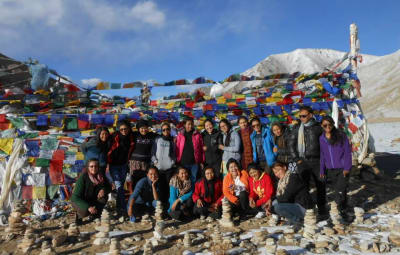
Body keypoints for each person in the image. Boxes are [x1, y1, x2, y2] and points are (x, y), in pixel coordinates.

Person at [288, 105, 326, 216]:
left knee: (321, 184)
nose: (301, 118)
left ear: (310, 115)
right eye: (300, 116)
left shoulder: (318, 128)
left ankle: (322, 208)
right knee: (303, 186)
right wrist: (297, 159)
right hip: (302, 161)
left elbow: (324, 145)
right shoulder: (297, 128)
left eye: (304, 116)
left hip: (317, 161)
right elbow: (291, 145)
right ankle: (307, 208)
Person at [319, 116, 352, 219]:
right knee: (340, 191)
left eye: (330, 124)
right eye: (325, 125)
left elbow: (347, 152)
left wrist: (347, 168)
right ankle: (344, 210)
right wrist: (322, 170)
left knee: (339, 191)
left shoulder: (341, 136)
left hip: (342, 168)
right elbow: (323, 155)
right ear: (322, 126)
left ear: (333, 124)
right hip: (330, 169)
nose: (327, 127)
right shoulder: (322, 138)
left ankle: (340, 212)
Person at [71, 159, 111, 225]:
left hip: (92, 199)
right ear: (88, 167)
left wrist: (104, 190)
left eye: (96, 166)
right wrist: (88, 207)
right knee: (85, 211)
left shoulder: (101, 176)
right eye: (91, 166)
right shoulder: (83, 177)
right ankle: (78, 216)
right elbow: (75, 197)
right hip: (80, 201)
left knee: (104, 197)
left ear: (98, 167)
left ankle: (95, 216)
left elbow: (109, 187)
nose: (94, 168)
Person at [108, 120, 135, 216]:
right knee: (119, 186)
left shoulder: (131, 137)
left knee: (122, 186)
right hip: (113, 165)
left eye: (125, 129)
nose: (124, 131)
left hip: (124, 165)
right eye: (121, 129)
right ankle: (123, 209)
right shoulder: (113, 137)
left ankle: (119, 208)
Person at [130, 119, 158, 192]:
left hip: (145, 164)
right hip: (134, 163)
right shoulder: (135, 135)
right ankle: (135, 199)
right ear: (138, 129)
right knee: (135, 181)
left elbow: (162, 136)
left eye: (145, 128)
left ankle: (144, 199)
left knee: (144, 181)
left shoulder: (151, 136)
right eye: (142, 128)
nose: (144, 130)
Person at [175, 118, 204, 183]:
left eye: (191, 124)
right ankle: (185, 193)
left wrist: (202, 161)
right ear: (184, 125)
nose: (190, 126)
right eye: (188, 124)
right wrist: (177, 160)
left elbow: (201, 148)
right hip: (183, 163)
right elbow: (177, 148)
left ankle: (194, 193)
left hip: (194, 163)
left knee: (194, 180)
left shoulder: (197, 134)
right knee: (183, 180)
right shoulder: (180, 135)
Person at [152, 122, 176, 190]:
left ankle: (168, 200)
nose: (166, 131)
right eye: (164, 130)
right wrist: (155, 161)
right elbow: (153, 152)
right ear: (161, 131)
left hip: (169, 169)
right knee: (159, 187)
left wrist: (172, 163)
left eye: (167, 129)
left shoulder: (172, 141)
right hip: (158, 168)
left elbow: (174, 153)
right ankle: (159, 200)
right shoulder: (157, 139)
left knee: (168, 187)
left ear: (170, 130)